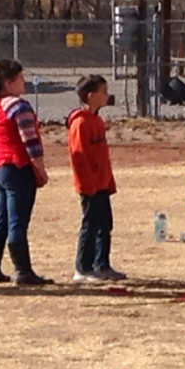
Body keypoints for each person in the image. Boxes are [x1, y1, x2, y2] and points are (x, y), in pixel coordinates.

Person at [0, 59, 53, 286]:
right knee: (17, 222)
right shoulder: (19, 106)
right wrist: (39, 168)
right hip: (18, 167)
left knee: (1, 219)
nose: (25, 82)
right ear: (8, 82)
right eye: (20, 78)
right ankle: (23, 270)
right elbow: (30, 141)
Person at [66, 75, 125, 282]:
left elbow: (102, 156)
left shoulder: (98, 121)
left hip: (101, 183)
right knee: (90, 226)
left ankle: (102, 265)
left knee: (105, 224)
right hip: (90, 186)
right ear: (91, 96)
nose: (107, 95)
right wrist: (87, 184)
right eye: (103, 91)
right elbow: (79, 157)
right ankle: (83, 268)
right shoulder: (80, 123)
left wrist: (108, 181)